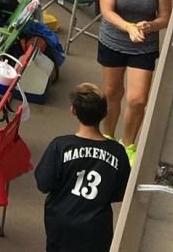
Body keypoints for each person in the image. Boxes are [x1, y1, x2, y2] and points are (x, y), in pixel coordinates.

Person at [35, 83, 131, 252]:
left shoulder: (60, 146)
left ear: (73, 110)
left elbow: (43, 183)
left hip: (60, 221)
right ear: (105, 113)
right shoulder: (117, 151)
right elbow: (121, 192)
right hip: (96, 227)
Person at [97, 0, 172, 151]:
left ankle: (128, 145)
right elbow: (107, 11)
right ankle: (108, 138)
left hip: (144, 45)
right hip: (113, 40)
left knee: (138, 100)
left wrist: (150, 26)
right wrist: (128, 27)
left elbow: (165, 17)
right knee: (112, 93)